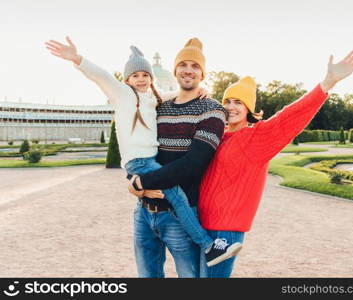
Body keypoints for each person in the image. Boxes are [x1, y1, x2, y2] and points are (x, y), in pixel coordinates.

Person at [44, 37, 241, 277]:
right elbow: (104, 77)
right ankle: (207, 246)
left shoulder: (203, 108)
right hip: (144, 212)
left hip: (177, 218)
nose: (188, 70)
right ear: (175, 70)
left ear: (203, 73)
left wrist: (140, 183)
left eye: (195, 66)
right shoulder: (139, 100)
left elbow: (194, 164)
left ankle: (208, 246)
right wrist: (78, 59)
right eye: (183, 65)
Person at [196, 49, 353, 277]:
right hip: (200, 226)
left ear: (249, 109)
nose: (231, 107)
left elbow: (287, 118)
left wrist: (327, 83)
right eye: (227, 101)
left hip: (225, 230)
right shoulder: (217, 134)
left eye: (239, 102)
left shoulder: (256, 138)